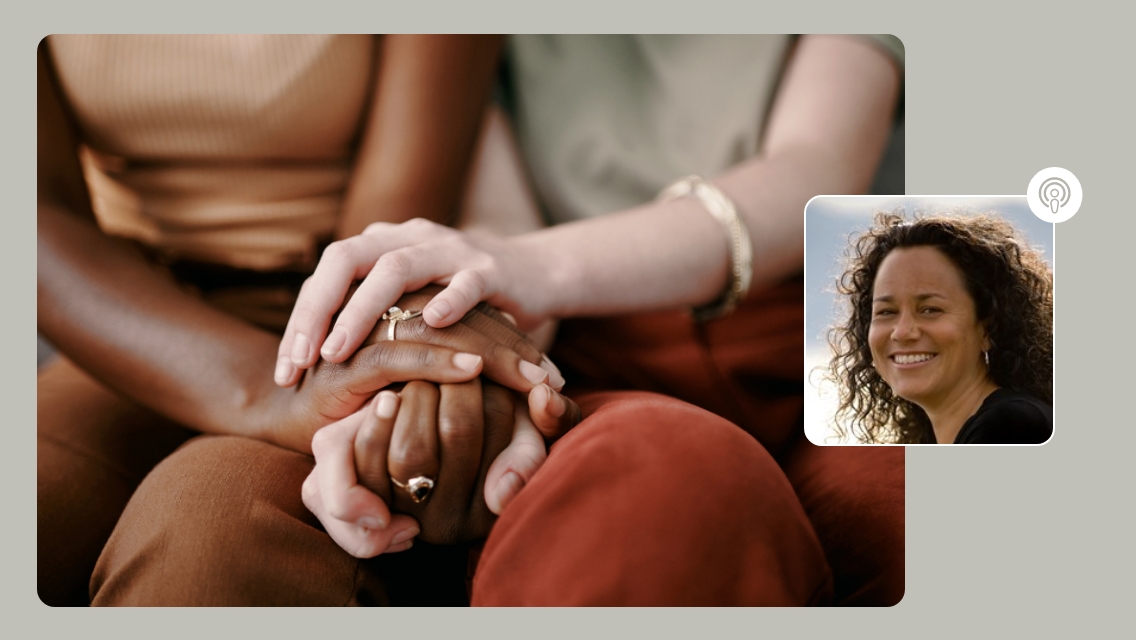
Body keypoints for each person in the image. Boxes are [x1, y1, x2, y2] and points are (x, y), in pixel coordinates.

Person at [272, 35, 907, 605]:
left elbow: (815, 170)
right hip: (592, 357)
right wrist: (451, 396)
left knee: (914, 517)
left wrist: (531, 266)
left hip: (854, 334)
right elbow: (501, 237)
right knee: (650, 494)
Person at [37, 34, 565, 606]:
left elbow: (397, 214)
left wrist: (357, 362)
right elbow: (33, 210)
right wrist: (268, 392)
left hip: (344, 308)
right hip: (133, 313)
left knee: (209, 547)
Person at [827, 212, 1053, 444]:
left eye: (930, 309)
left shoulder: (1010, 426)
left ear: (987, 328)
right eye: (886, 312)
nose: (903, 332)